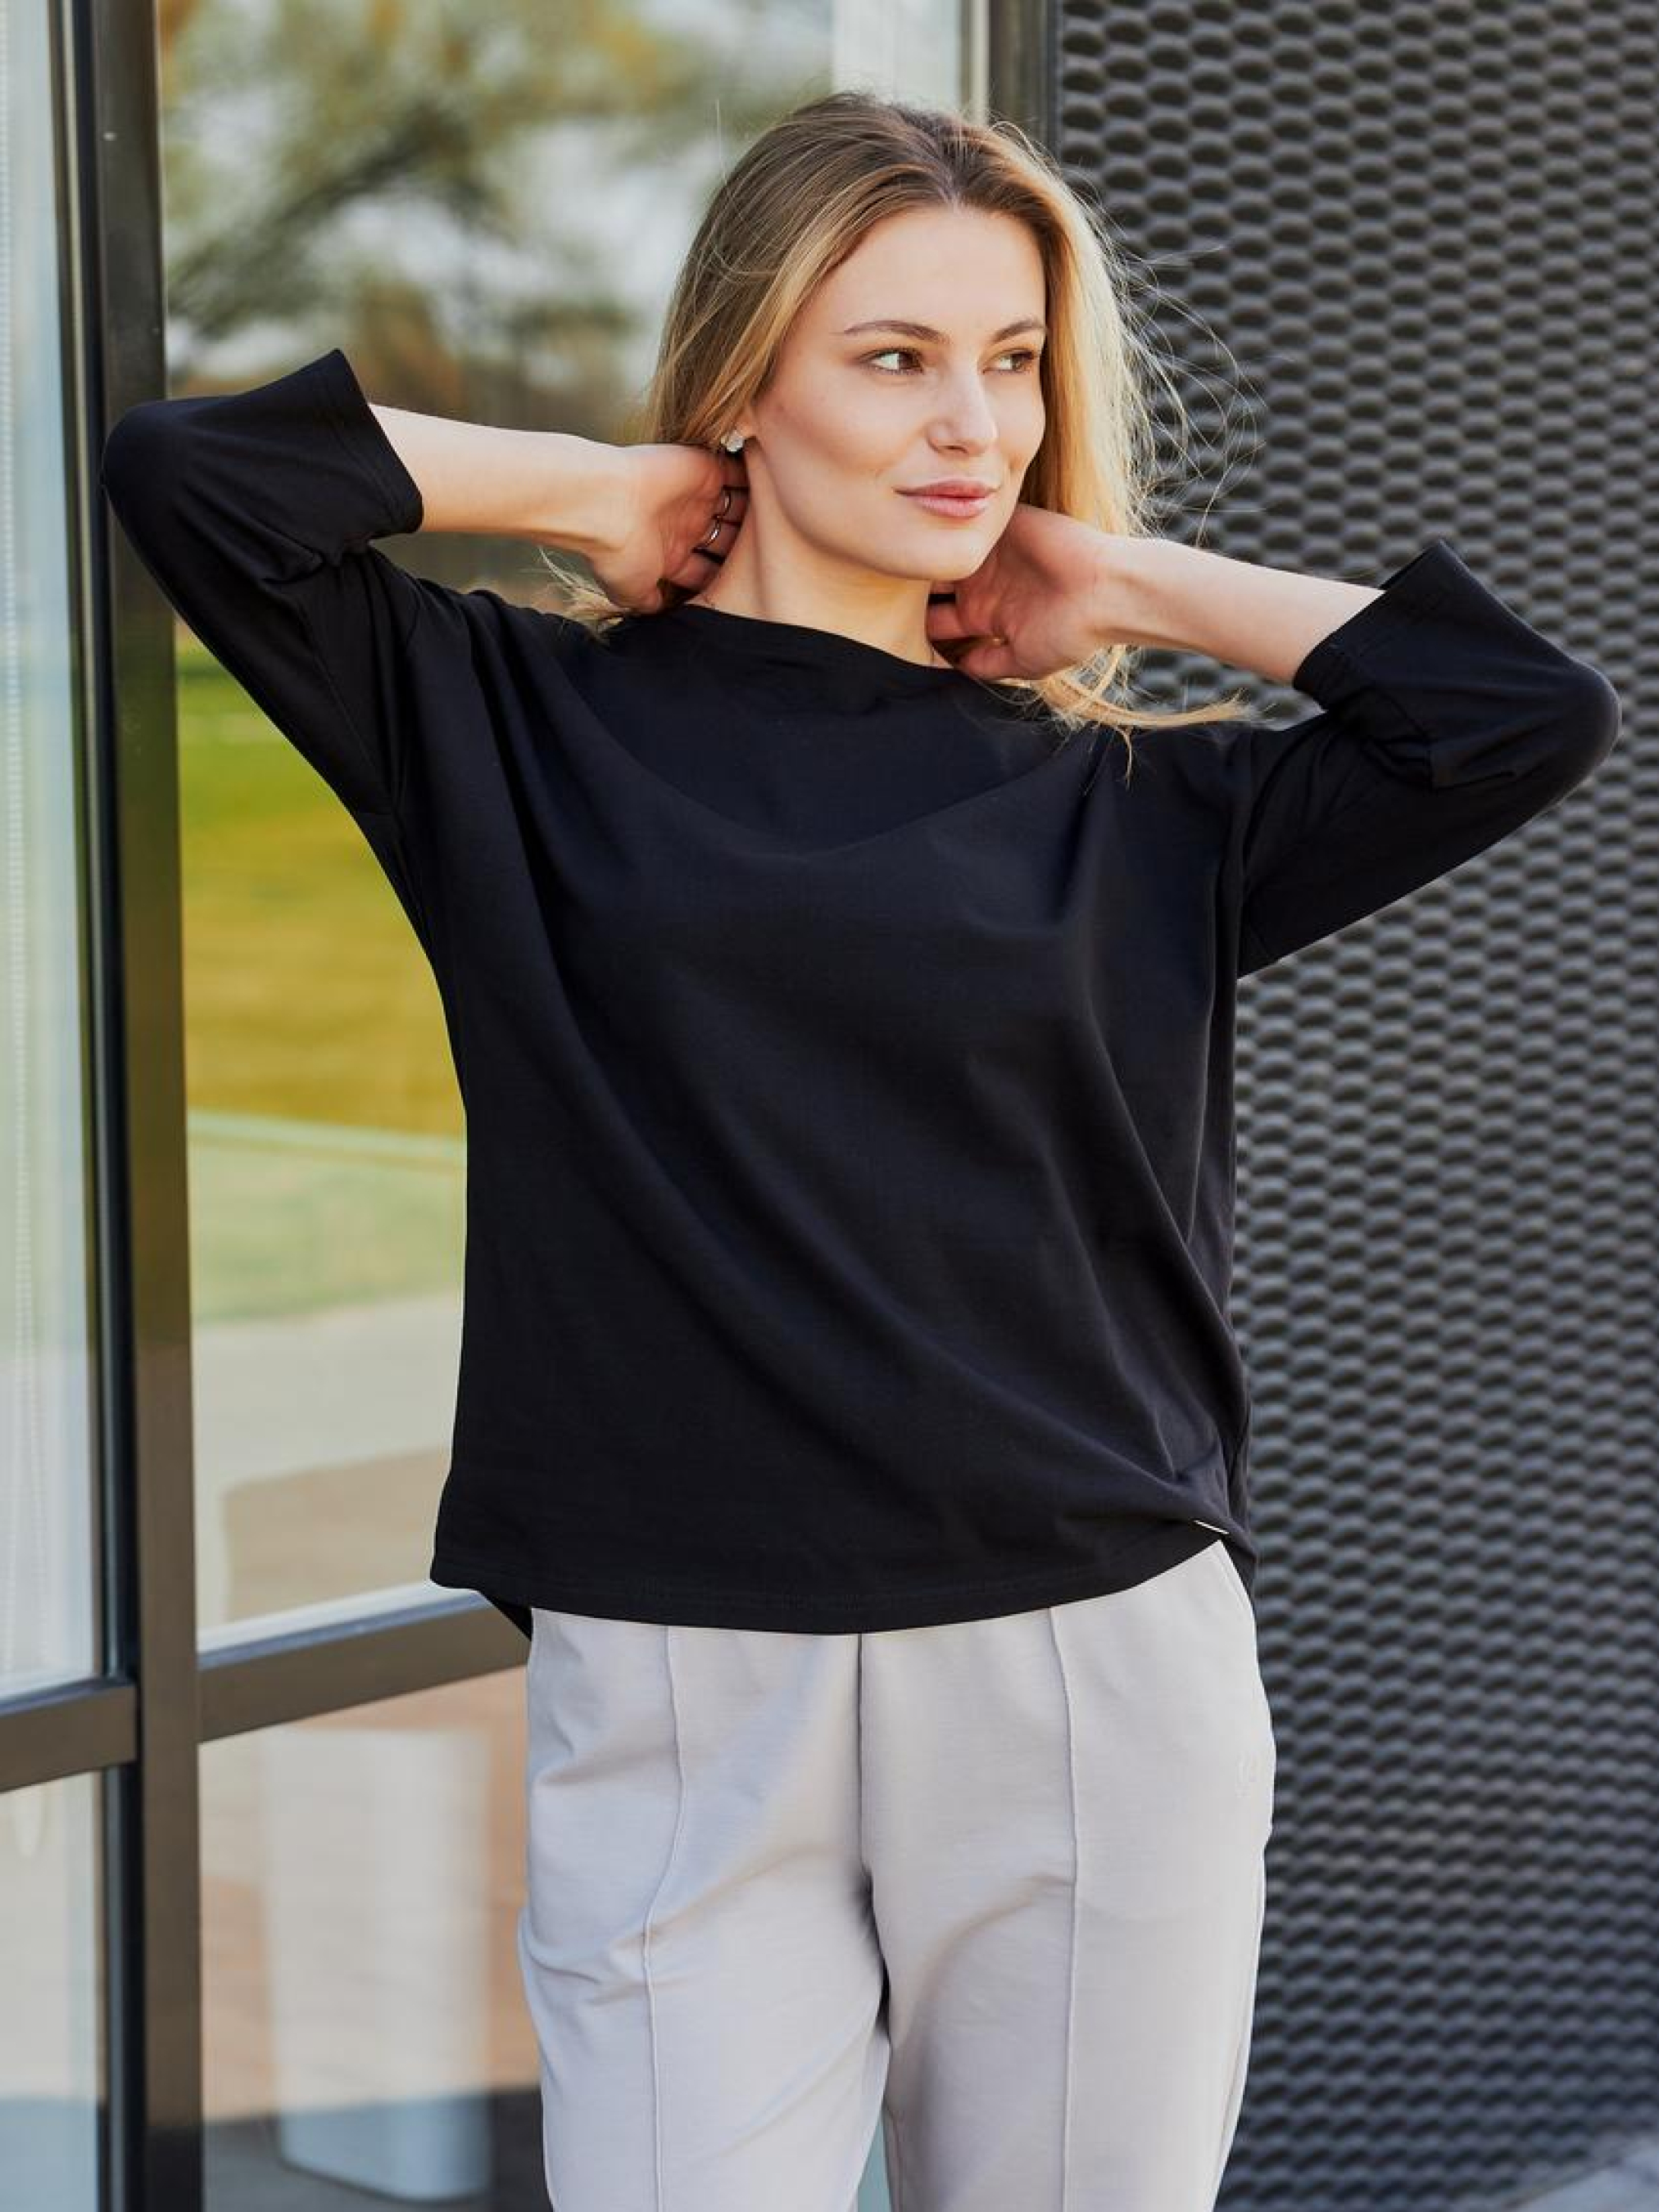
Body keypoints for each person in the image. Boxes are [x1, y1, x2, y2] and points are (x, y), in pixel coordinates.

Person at [100, 85, 1619, 2212]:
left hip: (1079, 1656)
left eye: (1012, 362)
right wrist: (610, 487)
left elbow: (1515, 714)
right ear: (750, 378)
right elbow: (190, 476)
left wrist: (1109, 573)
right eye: (892, 357)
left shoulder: (1138, 810)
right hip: (677, 1667)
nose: (968, 427)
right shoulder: (509, 724)